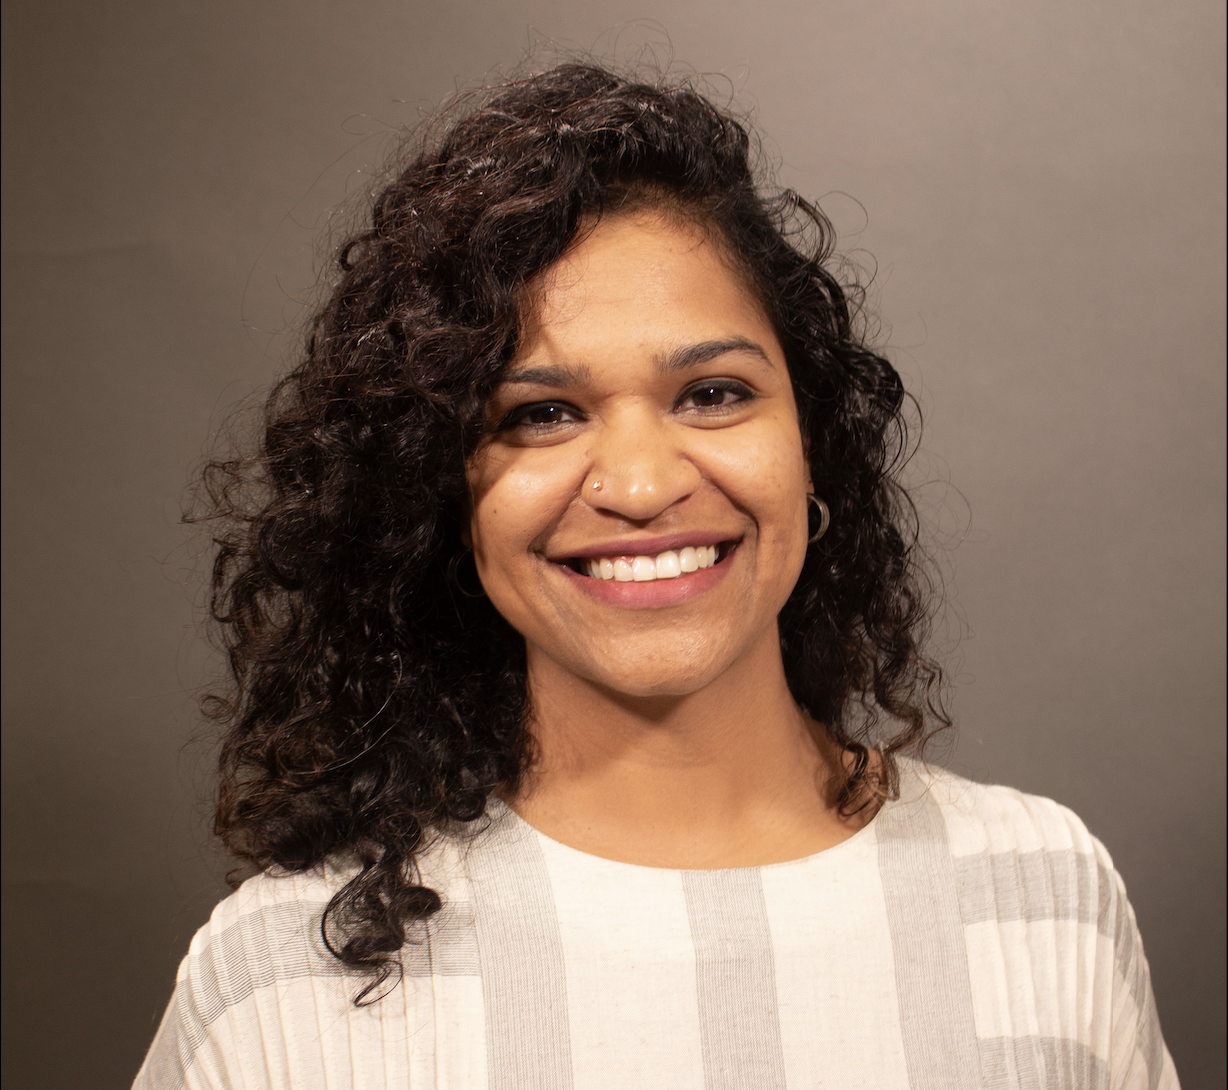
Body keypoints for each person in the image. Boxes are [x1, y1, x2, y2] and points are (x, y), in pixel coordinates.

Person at [134, 62, 1177, 1089]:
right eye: (542, 414)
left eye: (713, 393)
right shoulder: (282, 977)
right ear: (435, 492)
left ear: (812, 442)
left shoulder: (1045, 899)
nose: (640, 485)